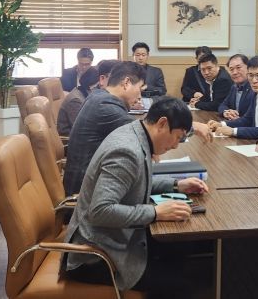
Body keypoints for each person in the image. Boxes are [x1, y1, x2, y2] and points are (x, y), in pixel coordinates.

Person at [63, 97, 209, 297]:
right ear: (162, 124)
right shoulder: (126, 151)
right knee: (183, 286)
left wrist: (176, 184)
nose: (176, 145)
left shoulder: (136, 132)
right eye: (178, 137)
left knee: (180, 248)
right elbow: (100, 211)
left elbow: (136, 182)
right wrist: (155, 213)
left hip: (114, 236)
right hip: (96, 255)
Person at [63, 61, 146, 196]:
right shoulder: (106, 106)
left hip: (90, 183)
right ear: (126, 83)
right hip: (86, 194)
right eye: (140, 89)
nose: (139, 96)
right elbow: (146, 137)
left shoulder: (98, 96)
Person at [208, 56, 258, 139]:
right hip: (255, 141)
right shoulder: (257, 92)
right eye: (250, 75)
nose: (254, 80)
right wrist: (222, 124)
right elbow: (247, 119)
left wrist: (233, 131)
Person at [56, 66, 99, 136]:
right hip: (69, 138)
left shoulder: (82, 93)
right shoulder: (75, 100)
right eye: (97, 86)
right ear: (91, 87)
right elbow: (80, 129)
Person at [218, 54, 254, 120]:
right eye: (231, 69)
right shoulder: (234, 87)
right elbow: (223, 105)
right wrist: (226, 112)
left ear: (248, 68)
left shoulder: (255, 87)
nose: (234, 72)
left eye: (238, 67)